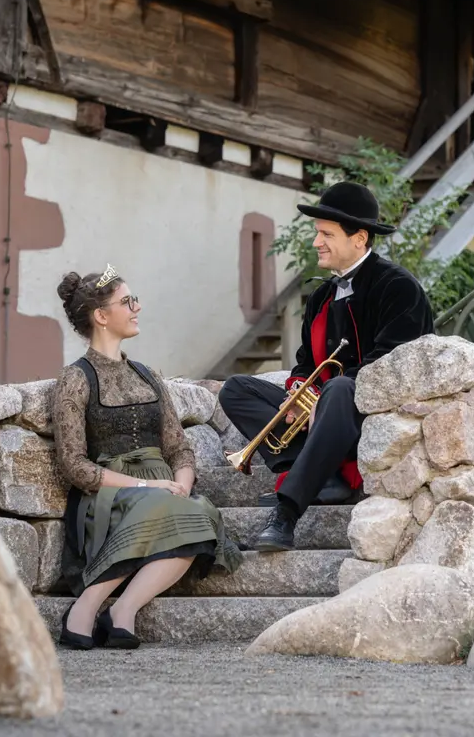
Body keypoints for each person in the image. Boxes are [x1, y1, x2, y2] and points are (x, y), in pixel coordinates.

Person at [218, 181, 435, 551]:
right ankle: (324, 477)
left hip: (373, 414)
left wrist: (325, 394)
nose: (316, 242)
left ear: (359, 238)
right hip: (325, 411)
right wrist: (298, 390)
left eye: (326, 234)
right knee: (236, 389)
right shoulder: (322, 295)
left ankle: (287, 512)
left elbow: (393, 363)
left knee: (339, 388)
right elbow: (306, 362)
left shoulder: (398, 287)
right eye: (317, 233)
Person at [51, 263, 243, 650]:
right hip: (108, 495)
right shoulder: (75, 379)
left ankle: (123, 610)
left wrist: (182, 484)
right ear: (101, 316)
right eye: (127, 302)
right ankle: (86, 605)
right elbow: (74, 465)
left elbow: (178, 447)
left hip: (163, 491)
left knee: (197, 511)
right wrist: (145, 486)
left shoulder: (148, 375)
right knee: (175, 509)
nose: (137, 307)